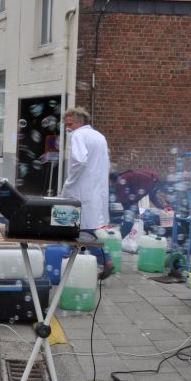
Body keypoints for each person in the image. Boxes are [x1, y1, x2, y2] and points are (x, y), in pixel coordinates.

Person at [61, 107, 113, 279]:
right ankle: (74, 260)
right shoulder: (99, 136)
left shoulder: (78, 135)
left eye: (69, 124)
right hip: (96, 191)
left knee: (75, 227)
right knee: (83, 228)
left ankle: (100, 259)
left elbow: (80, 161)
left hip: (81, 190)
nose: (67, 129)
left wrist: (69, 182)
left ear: (77, 122)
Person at [111, 169, 168, 236]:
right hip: (129, 197)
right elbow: (132, 197)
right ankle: (125, 234)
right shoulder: (149, 181)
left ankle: (125, 234)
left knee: (130, 215)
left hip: (131, 196)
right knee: (130, 215)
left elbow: (144, 196)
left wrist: (163, 209)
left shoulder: (124, 179)